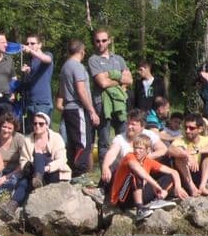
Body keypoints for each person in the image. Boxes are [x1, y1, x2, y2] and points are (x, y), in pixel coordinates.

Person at [0, 112, 68, 219]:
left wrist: (45, 168)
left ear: (47, 125)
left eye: (41, 124)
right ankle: (11, 207)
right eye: (35, 123)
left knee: (39, 156)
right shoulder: (27, 140)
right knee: (23, 182)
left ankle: (38, 178)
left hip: (53, 173)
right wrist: (31, 167)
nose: (37, 126)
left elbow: (62, 159)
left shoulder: (56, 137)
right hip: (33, 174)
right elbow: (23, 160)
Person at [110, 134, 187, 221]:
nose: (137, 151)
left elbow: (174, 172)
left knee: (169, 176)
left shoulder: (148, 161)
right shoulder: (129, 156)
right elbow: (138, 170)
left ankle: (158, 200)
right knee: (135, 174)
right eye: (135, 148)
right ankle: (140, 210)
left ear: (148, 150)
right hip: (123, 197)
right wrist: (156, 185)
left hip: (139, 194)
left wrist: (178, 187)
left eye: (140, 148)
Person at [89, 29, 132, 169]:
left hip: (120, 104)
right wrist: (119, 78)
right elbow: (102, 83)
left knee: (124, 138)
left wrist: (111, 75)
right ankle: (105, 177)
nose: (100, 44)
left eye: (103, 40)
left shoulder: (118, 59)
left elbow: (129, 79)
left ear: (109, 40)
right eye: (97, 41)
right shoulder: (93, 60)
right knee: (104, 141)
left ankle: (125, 171)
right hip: (102, 104)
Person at [58, 39, 99, 177]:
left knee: (73, 142)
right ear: (82, 51)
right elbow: (81, 90)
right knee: (83, 143)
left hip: (68, 108)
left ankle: (73, 172)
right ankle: (80, 173)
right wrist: (92, 111)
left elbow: (62, 92)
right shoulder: (77, 66)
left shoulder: (64, 67)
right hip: (77, 108)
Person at [99, 109, 167, 191]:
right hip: (128, 176)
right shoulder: (120, 138)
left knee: (168, 161)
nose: (129, 127)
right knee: (112, 164)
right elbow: (111, 153)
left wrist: (147, 158)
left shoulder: (149, 135)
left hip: (147, 171)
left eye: (133, 124)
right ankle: (102, 190)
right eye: (128, 123)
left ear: (142, 126)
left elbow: (163, 149)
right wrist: (105, 167)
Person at [167, 113, 208, 197]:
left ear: (200, 129)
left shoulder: (206, 140)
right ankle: (193, 188)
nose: (187, 131)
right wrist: (187, 155)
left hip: (202, 173)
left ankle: (202, 186)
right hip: (186, 176)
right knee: (180, 156)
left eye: (191, 128)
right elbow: (170, 150)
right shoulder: (180, 140)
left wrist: (197, 151)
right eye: (186, 127)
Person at [19, 33, 53, 133]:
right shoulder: (31, 61)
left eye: (33, 43)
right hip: (30, 103)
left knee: (44, 133)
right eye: (27, 43)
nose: (29, 45)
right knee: (32, 133)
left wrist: (31, 52)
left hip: (42, 102)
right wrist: (28, 72)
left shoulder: (47, 54)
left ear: (40, 45)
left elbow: (47, 60)